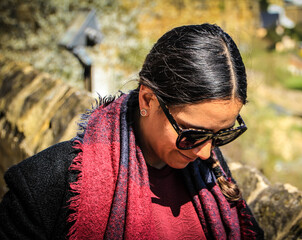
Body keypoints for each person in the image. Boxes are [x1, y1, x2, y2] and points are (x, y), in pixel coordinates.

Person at [0, 23, 264, 239]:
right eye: (192, 134)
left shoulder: (213, 175)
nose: (207, 152)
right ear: (148, 100)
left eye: (222, 135)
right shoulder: (44, 187)